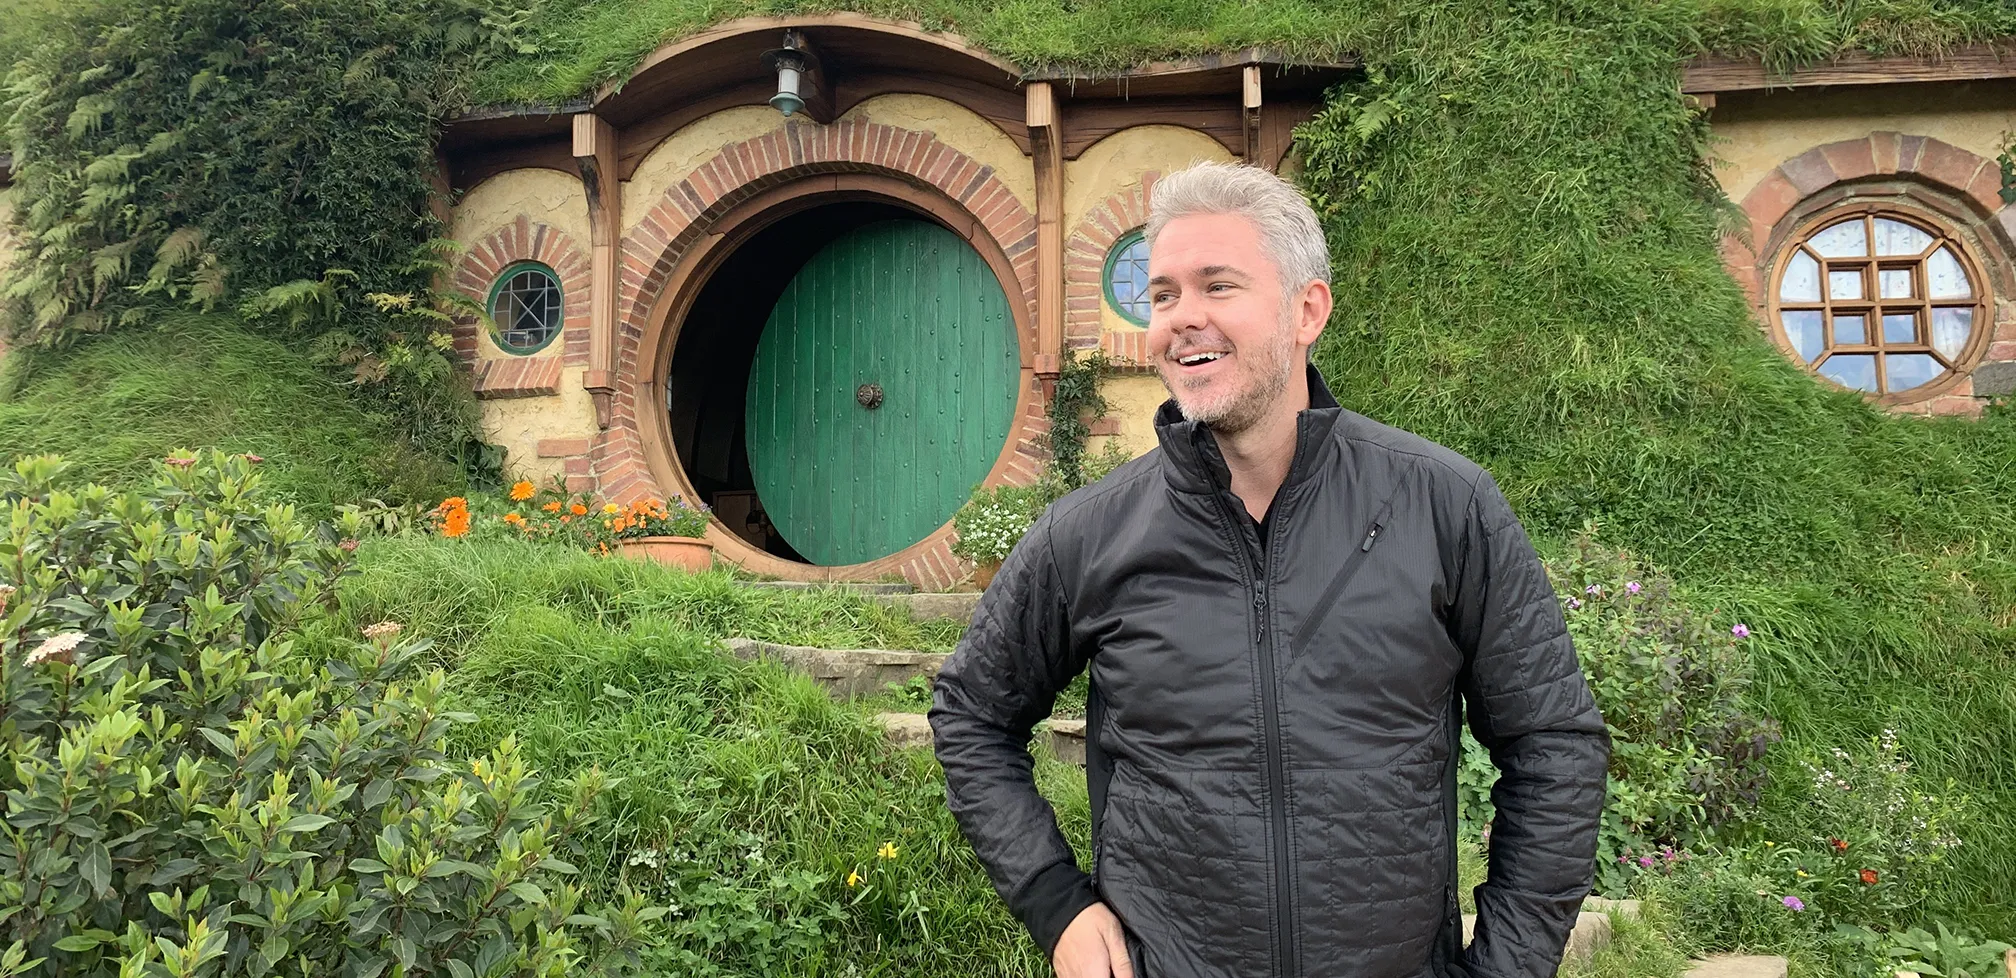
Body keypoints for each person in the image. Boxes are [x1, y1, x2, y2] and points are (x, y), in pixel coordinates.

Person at [929, 161, 1610, 978]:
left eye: (1218, 286)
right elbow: (972, 712)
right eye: (1165, 294)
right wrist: (1055, 904)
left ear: (1306, 309)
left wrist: (1503, 969)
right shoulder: (1088, 533)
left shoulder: (1443, 504)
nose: (1184, 318)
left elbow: (1553, 744)